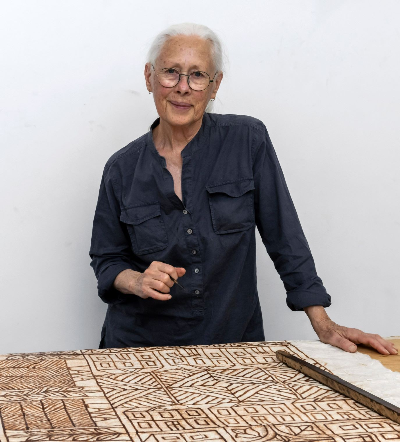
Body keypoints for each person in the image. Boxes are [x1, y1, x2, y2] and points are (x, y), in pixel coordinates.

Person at [89, 23, 396, 355]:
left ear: (215, 84)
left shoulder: (248, 140)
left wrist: (323, 323)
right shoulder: (120, 169)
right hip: (139, 350)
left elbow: (284, 236)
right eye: (170, 72)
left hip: (234, 346)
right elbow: (107, 259)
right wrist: (135, 281)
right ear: (149, 77)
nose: (182, 88)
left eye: (197, 75)